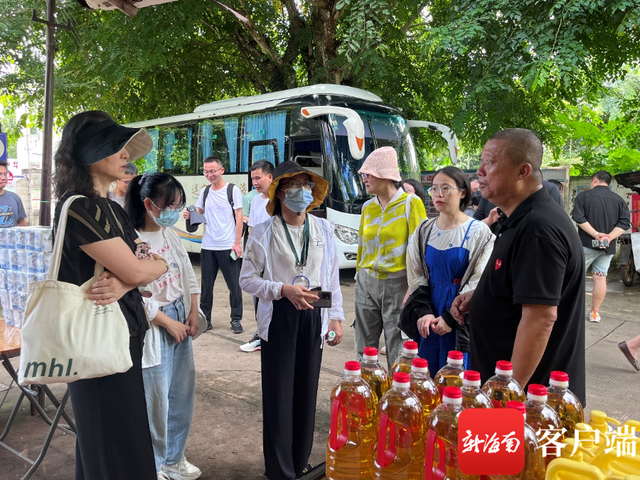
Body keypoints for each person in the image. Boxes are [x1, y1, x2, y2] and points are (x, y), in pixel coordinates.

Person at [53, 110, 169, 479]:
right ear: (89, 152)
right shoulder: (79, 208)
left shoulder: (112, 210)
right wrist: (135, 275)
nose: (126, 155)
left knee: (116, 437)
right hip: (94, 338)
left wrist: (126, 282)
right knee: (110, 439)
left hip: (124, 334)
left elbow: (159, 265)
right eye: (116, 147)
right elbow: (141, 267)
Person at [452, 128, 586, 405]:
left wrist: (507, 393)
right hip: (506, 389)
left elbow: (540, 317)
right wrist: (482, 295)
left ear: (522, 171)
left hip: (527, 402)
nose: (479, 170)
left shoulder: (538, 229)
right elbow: (522, 284)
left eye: (489, 162)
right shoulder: (516, 219)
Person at [239, 161, 344, 480]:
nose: (303, 191)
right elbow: (247, 279)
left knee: (305, 394)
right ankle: (280, 470)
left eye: (307, 185)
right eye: (295, 185)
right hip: (279, 318)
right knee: (279, 397)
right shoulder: (263, 232)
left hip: (314, 315)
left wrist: (335, 316)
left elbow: (332, 277)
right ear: (281, 192)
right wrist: (282, 290)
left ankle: (298, 465)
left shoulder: (324, 229)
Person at [126, 172, 202, 480]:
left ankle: (174, 460)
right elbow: (132, 295)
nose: (175, 209)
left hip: (181, 318)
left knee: (181, 396)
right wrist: (167, 322)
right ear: (148, 204)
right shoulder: (132, 239)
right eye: (169, 204)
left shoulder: (170, 235)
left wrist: (194, 311)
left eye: (179, 203)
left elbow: (188, 274)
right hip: (155, 327)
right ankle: (154, 466)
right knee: (155, 404)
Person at [405, 167, 494, 373]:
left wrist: (451, 318)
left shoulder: (479, 232)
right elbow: (416, 275)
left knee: (456, 375)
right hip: (428, 310)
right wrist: (424, 313)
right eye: (434, 189)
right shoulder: (423, 230)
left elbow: (479, 280)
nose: (439, 194)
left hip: (462, 313)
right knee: (426, 376)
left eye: (445, 188)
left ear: (463, 192)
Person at [354, 146, 427, 370]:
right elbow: (362, 247)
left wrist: (415, 287)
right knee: (364, 347)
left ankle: (396, 400)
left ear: (385, 175)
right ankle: (365, 394)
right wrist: (358, 275)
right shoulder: (368, 207)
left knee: (399, 349)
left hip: (399, 284)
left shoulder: (410, 204)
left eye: (369, 174)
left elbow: (420, 250)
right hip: (366, 282)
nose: (364, 178)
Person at [183, 156, 244, 334]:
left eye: (213, 171)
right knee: (206, 286)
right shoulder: (206, 192)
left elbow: (239, 217)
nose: (209, 175)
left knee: (234, 285)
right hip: (208, 246)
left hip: (227, 245)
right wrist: (190, 215)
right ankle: (206, 319)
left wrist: (237, 242)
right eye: (206, 171)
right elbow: (200, 213)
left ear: (221, 170)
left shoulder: (232, 190)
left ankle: (236, 319)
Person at [571, 170, 630, 323]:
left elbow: (579, 218)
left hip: (586, 245)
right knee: (600, 278)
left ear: (595, 180)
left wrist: (596, 234)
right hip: (607, 248)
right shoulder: (618, 199)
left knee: (575, 278)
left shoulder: (583, 196)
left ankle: (572, 312)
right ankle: (595, 313)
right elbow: (624, 223)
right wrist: (609, 237)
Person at [240, 160, 274, 353]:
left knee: (272, 297)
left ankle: (268, 335)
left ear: (270, 177)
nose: (255, 182)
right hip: (258, 258)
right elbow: (252, 229)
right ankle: (260, 335)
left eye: (258, 177)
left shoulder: (278, 200)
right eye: (253, 178)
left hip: (275, 259)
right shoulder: (255, 201)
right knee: (257, 297)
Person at [474, 178, 564, 228]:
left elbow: (558, 226)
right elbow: (473, 226)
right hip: (494, 252)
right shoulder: (490, 191)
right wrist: (489, 220)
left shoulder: (547, 189)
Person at [0, 161, 26, 227]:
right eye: (0, 174)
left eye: (5, 174)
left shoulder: (15, 198)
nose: (3, 178)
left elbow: (22, 222)